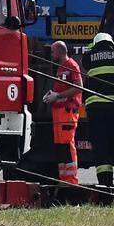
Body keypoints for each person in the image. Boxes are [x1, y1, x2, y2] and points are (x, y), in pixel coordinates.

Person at [81, 30, 114, 190]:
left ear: (96, 43)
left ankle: (105, 188)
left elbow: (87, 52)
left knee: (101, 149)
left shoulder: (89, 57)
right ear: (111, 43)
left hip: (95, 111)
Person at [42, 40, 84, 184]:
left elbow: (79, 87)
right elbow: (63, 88)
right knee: (61, 146)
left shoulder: (71, 65)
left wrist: (58, 95)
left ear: (60, 51)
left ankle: (71, 180)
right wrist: (52, 94)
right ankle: (64, 179)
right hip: (59, 112)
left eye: (53, 51)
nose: (52, 54)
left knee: (67, 145)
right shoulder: (61, 67)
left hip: (67, 111)